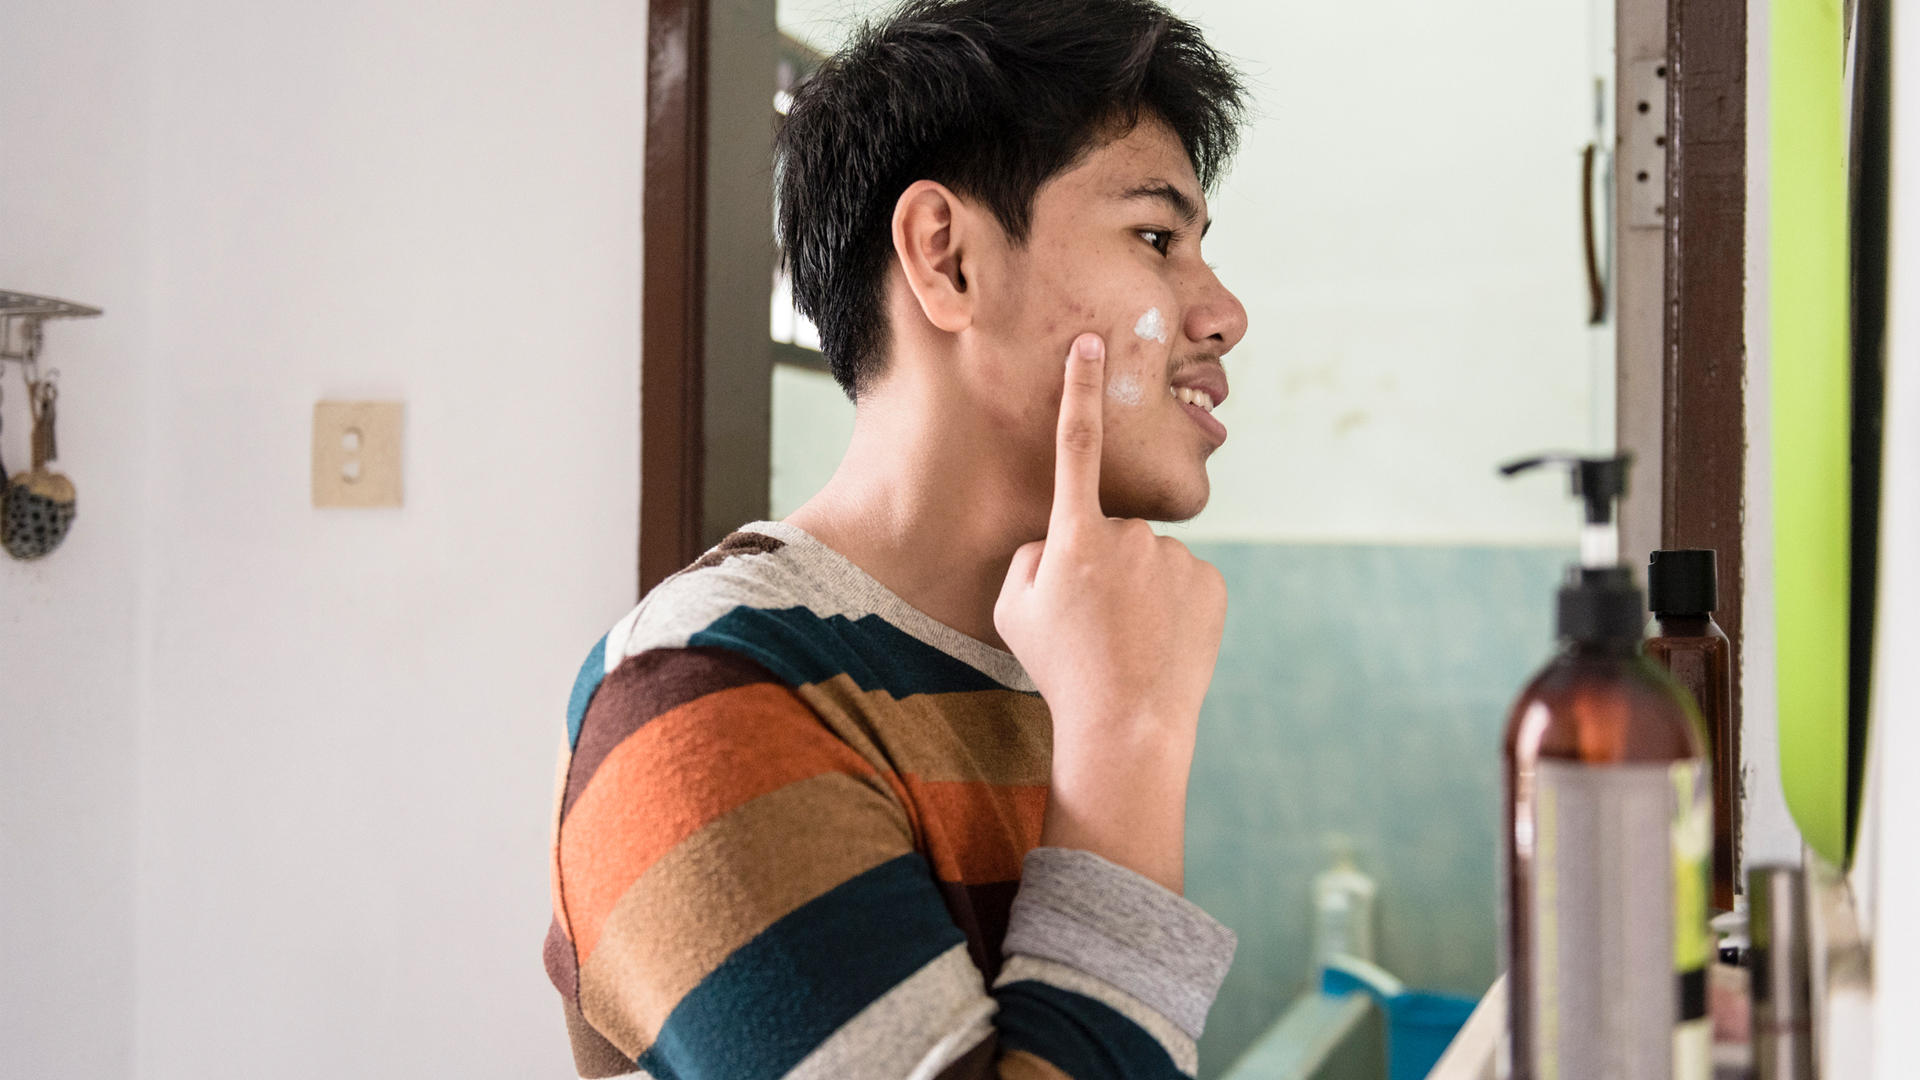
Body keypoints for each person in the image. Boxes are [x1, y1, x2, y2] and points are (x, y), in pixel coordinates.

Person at [545, 0, 1250, 1076]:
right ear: (947, 257)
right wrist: (1127, 755)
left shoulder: (1055, 663)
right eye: (1157, 238)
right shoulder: (702, 695)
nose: (1225, 313)